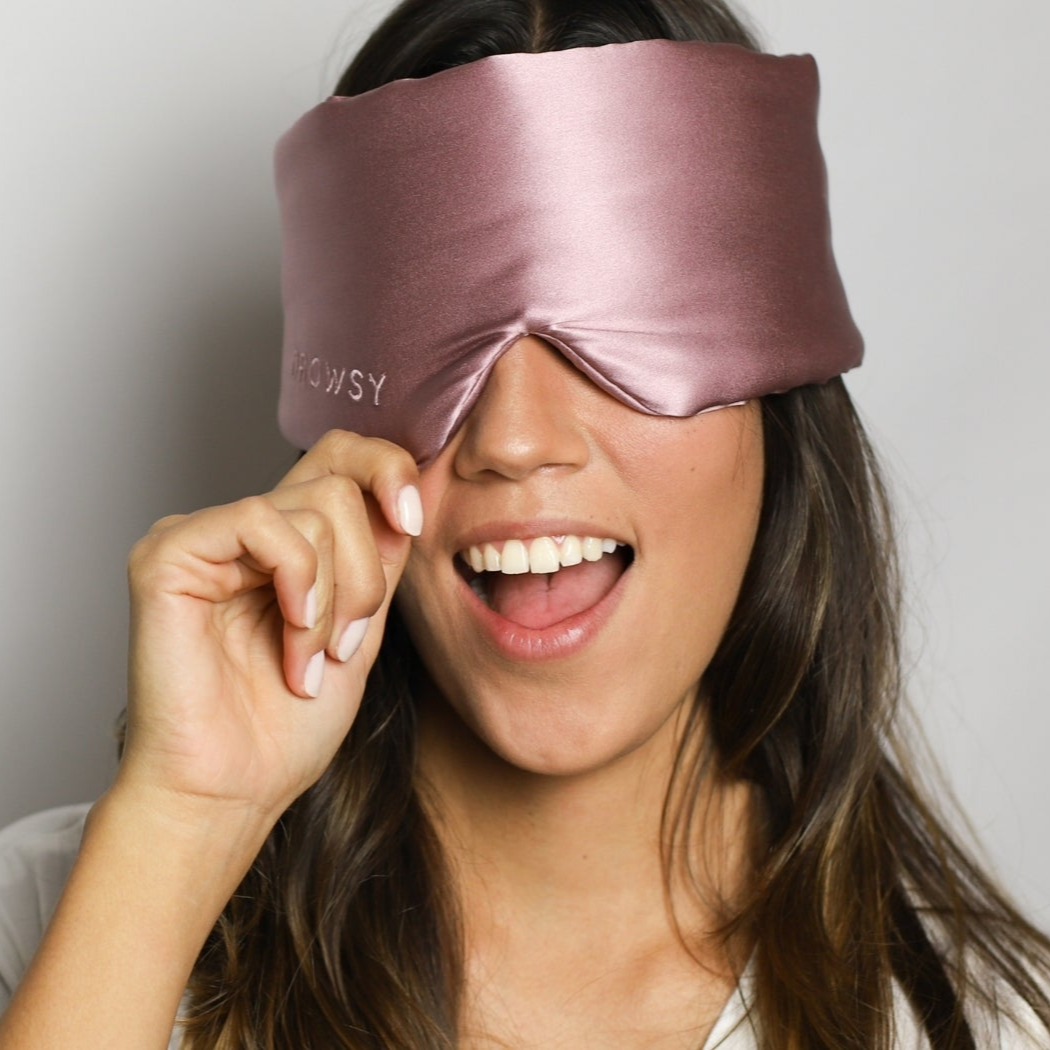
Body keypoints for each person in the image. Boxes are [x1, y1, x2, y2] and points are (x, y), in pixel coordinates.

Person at [1, 0, 1048, 1047]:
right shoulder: (61, 920)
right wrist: (186, 825)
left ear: (778, 406)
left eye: (623, 334)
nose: (514, 437)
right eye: (437, 348)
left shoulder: (985, 1025)